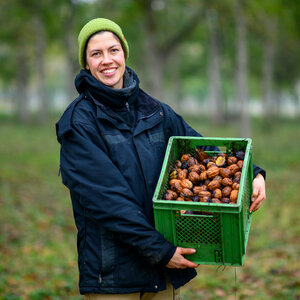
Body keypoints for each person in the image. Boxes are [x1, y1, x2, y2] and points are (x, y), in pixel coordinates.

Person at [56, 18, 266, 299]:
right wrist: (160, 251)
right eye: (96, 54)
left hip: (161, 274)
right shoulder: (79, 122)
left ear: (124, 54)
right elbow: (107, 200)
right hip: (114, 275)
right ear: (86, 63)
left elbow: (203, 150)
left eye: (113, 50)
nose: (107, 60)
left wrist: (253, 173)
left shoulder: (155, 110)